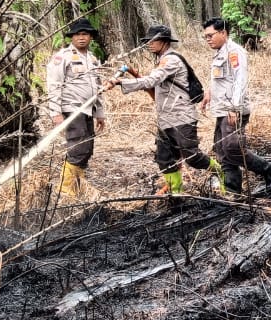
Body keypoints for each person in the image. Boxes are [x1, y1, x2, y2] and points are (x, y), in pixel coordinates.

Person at [104, 25, 223, 195]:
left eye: (154, 40)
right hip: (165, 119)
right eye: (148, 41)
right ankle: (176, 194)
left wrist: (120, 82)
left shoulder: (171, 60)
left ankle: (222, 173)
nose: (150, 44)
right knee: (165, 159)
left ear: (165, 42)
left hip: (182, 118)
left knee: (193, 157)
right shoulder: (162, 60)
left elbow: (151, 81)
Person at [201, 17, 271, 195]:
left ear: (223, 32)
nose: (208, 39)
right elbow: (223, 79)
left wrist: (234, 107)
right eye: (205, 36)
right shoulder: (219, 53)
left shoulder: (235, 52)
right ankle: (233, 190)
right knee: (222, 150)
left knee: (233, 148)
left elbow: (240, 80)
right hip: (222, 109)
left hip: (232, 110)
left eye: (210, 35)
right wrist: (209, 93)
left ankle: (267, 169)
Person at [46, 17, 107, 198]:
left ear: (91, 37)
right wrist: (56, 113)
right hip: (72, 108)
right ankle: (66, 190)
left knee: (87, 148)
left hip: (88, 109)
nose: (81, 38)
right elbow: (54, 85)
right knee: (78, 148)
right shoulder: (62, 57)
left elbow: (97, 87)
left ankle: (77, 185)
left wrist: (100, 113)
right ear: (72, 37)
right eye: (78, 34)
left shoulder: (92, 59)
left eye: (85, 34)